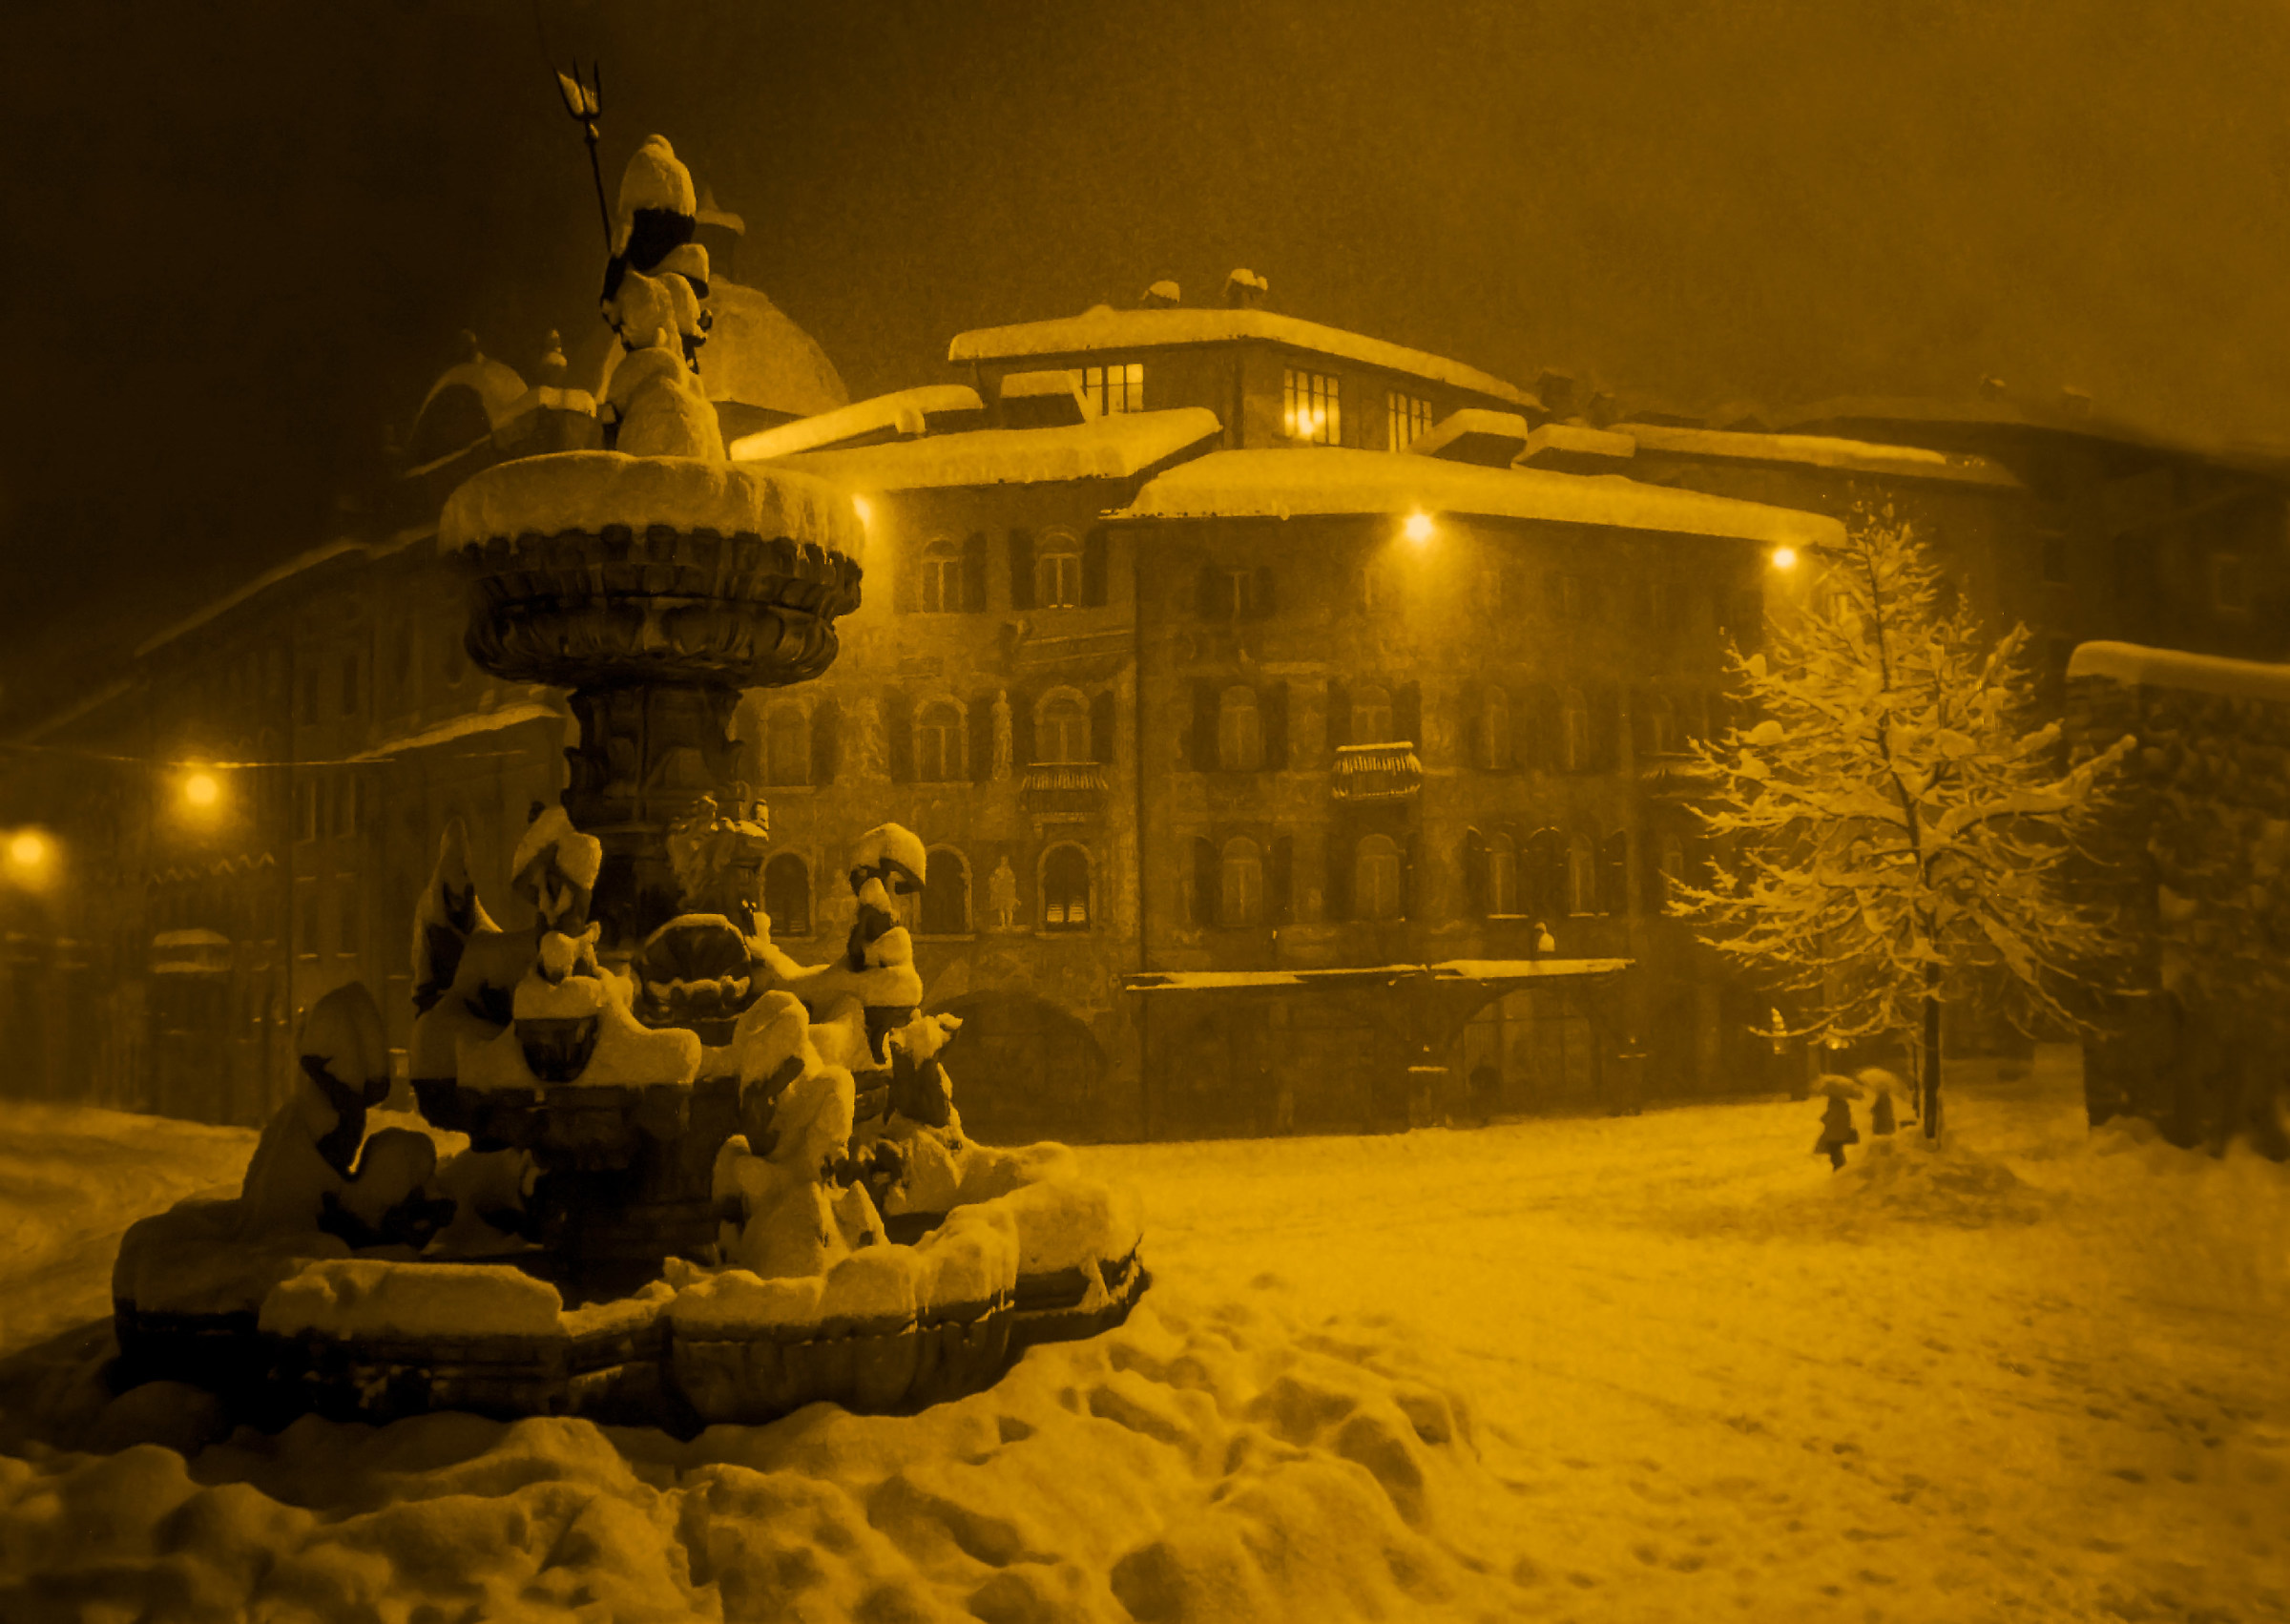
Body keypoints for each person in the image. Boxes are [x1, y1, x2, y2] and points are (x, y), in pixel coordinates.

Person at [1814, 1093, 1860, 1170]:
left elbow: (1830, 1118)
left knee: (1835, 1154)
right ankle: (1841, 1169)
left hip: (1834, 1134)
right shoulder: (1843, 1105)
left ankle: (1840, 1170)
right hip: (1841, 1133)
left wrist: (1823, 1119)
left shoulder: (1835, 1105)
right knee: (1838, 1152)